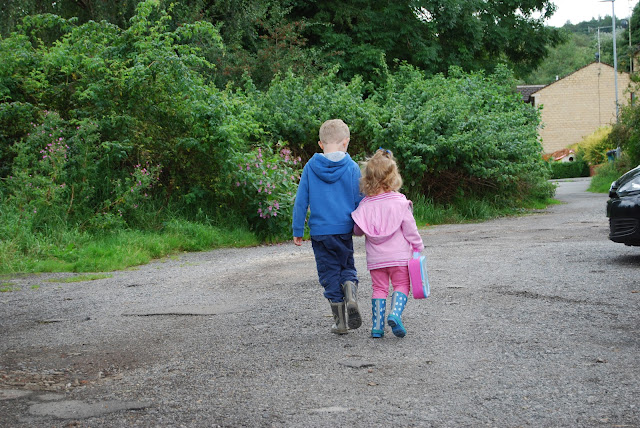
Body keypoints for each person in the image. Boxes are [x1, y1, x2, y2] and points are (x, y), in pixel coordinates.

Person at [292, 119, 364, 335]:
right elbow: (360, 200)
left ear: (321, 144)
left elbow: (301, 201)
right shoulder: (352, 168)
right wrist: (362, 226)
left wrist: (298, 230)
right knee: (346, 265)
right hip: (344, 230)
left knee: (329, 272)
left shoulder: (310, 167)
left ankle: (340, 323)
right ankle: (350, 289)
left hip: (321, 232)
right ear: (346, 142)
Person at [351, 149, 424, 338]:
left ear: (367, 179)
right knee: (402, 285)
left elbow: (357, 230)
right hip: (399, 258)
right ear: (393, 177)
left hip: (376, 260)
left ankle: (377, 327)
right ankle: (395, 314)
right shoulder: (399, 202)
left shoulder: (365, 205)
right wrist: (418, 247)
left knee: (379, 289)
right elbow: (410, 229)